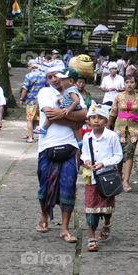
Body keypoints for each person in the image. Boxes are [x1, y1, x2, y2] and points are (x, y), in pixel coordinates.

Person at [35, 63, 88, 241]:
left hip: (71, 146)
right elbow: (50, 114)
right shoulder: (44, 93)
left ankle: (65, 228)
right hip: (47, 145)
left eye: (57, 75)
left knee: (69, 185)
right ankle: (44, 215)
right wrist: (73, 121)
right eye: (50, 77)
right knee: (44, 184)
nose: (54, 80)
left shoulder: (74, 91)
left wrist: (62, 115)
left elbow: (85, 115)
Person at [80, 103, 123, 252]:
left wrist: (104, 163)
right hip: (91, 178)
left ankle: (107, 222)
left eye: (100, 118)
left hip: (107, 177)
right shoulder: (87, 137)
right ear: (88, 121)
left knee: (106, 207)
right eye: (93, 118)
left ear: (106, 120)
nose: (96, 121)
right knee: (90, 207)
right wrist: (86, 160)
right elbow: (84, 152)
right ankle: (91, 237)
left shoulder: (111, 136)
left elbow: (118, 156)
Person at [108, 75, 138, 192]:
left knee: (129, 152)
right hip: (119, 128)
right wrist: (108, 125)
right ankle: (119, 173)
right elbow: (113, 112)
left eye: (131, 82)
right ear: (124, 84)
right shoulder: (118, 97)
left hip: (134, 130)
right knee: (118, 151)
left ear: (135, 84)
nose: (129, 84)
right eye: (127, 82)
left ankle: (126, 181)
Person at [19, 58, 46, 143]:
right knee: (39, 118)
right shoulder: (44, 75)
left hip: (31, 101)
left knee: (29, 119)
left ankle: (30, 137)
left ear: (31, 66)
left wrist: (21, 99)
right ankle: (40, 136)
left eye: (28, 66)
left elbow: (25, 89)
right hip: (42, 101)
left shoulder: (29, 76)